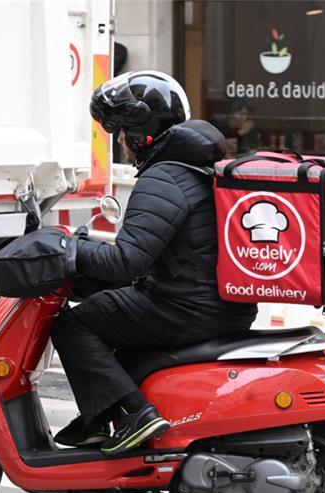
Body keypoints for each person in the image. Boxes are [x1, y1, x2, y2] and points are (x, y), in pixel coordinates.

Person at [51, 71, 258, 454]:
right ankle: (101, 419)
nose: (120, 143)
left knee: (72, 323)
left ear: (140, 131)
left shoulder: (162, 177)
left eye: (121, 132)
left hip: (187, 308)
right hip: (214, 304)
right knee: (116, 325)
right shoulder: (194, 167)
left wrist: (69, 249)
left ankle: (135, 415)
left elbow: (126, 260)